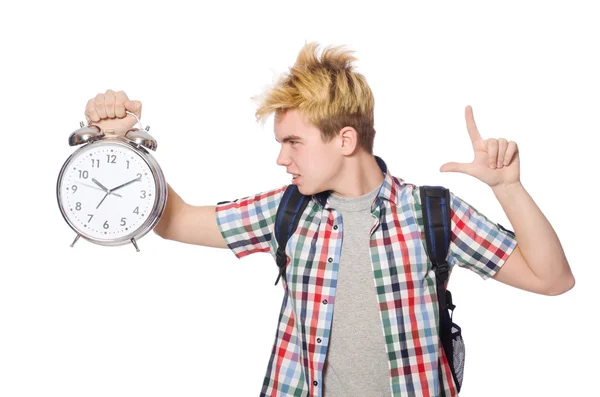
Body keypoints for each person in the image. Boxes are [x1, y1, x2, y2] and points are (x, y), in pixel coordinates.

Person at [84, 42, 575, 397]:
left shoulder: (432, 212)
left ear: (344, 139)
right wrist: (120, 142)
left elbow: (553, 280)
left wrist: (508, 188)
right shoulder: (288, 210)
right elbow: (175, 221)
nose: (282, 158)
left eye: (293, 142)